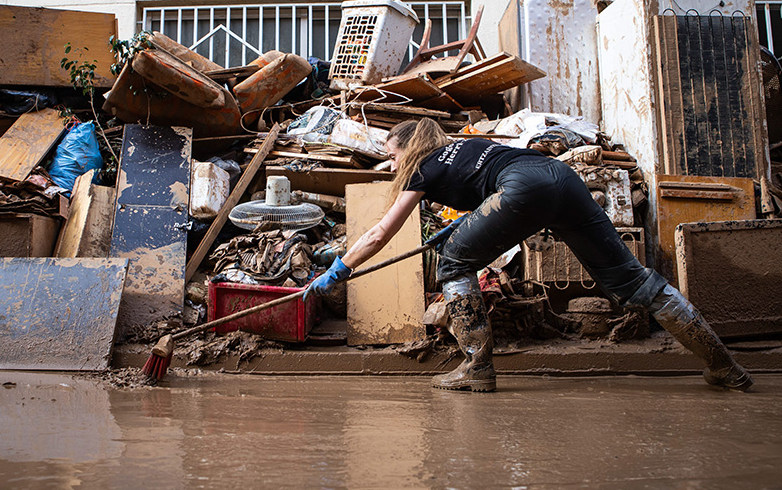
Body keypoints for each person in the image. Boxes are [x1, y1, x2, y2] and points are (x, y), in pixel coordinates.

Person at [305, 118, 753, 393]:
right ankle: (722, 365)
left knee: (455, 263)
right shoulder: (466, 144)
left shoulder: (423, 166)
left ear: (406, 148)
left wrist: (341, 268)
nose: (391, 163)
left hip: (522, 189)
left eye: (391, 155)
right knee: (632, 281)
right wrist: (472, 217)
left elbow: (384, 231)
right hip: (561, 179)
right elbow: (501, 182)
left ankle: (476, 369)